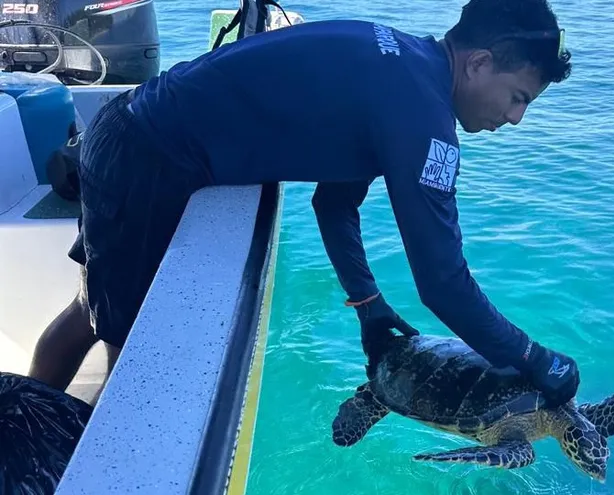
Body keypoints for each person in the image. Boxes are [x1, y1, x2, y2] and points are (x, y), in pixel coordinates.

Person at [28, 0, 581, 408]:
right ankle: (61, 454)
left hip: (128, 133)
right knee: (125, 347)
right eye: (518, 98)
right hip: (146, 161)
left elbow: (334, 204)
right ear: (481, 63)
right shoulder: (423, 118)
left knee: (92, 312)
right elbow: (442, 284)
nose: (515, 118)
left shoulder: (403, 63)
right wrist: (536, 360)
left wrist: (368, 304)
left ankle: (21, 420)